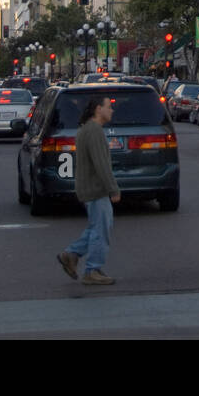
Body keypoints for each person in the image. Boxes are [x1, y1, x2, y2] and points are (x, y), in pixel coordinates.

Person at [57, 97, 121, 285]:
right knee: (101, 230)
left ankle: (71, 254)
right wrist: (113, 188)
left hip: (89, 187)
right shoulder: (94, 131)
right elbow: (101, 164)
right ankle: (92, 270)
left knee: (97, 227)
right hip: (95, 189)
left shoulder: (88, 129)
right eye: (109, 107)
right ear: (98, 109)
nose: (112, 111)